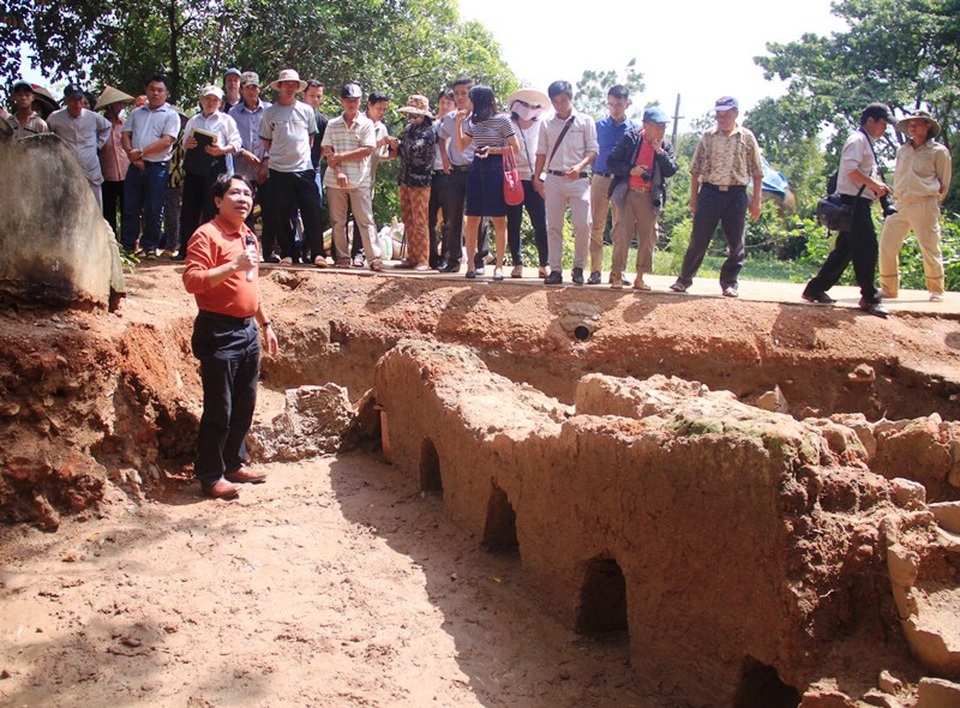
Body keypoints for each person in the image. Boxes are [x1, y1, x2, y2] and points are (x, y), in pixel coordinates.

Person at [182, 172, 278, 499]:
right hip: (217, 330)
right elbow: (192, 281)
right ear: (217, 200)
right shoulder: (206, 235)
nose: (243, 199)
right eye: (235, 193)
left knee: (244, 403)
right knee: (219, 408)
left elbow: (252, 285)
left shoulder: (249, 236)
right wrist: (232, 266)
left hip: (248, 331)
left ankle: (233, 463)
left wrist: (265, 325)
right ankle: (210, 475)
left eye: (247, 194)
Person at [803, 103, 895, 318]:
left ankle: (815, 289)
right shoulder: (858, 140)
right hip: (852, 202)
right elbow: (850, 170)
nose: (885, 129)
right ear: (870, 121)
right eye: (883, 123)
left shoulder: (866, 142)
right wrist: (875, 185)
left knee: (845, 250)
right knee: (867, 248)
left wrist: (877, 188)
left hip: (858, 202)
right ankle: (870, 297)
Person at [670, 96, 763, 298]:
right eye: (718, 114)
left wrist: (756, 200)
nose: (721, 118)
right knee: (699, 239)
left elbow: (757, 171)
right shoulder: (708, 136)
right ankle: (684, 279)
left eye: (726, 114)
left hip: (736, 194)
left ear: (735, 114)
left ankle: (730, 282)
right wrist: (693, 198)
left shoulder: (746, 137)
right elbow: (695, 170)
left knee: (736, 241)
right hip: (710, 192)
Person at [878, 110, 952, 302]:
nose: (912, 126)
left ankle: (936, 289)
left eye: (917, 123)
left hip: (925, 203)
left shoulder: (938, 151)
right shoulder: (902, 150)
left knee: (930, 247)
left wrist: (933, 202)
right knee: (886, 245)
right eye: (910, 123)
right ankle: (888, 288)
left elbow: (944, 182)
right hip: (900, 203)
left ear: (927, 125)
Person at [534, 80, 599, 285]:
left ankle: (578, 267)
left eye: (563, 100)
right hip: (553, 178)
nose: (559, 105)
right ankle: (555, 269)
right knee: (553, 226)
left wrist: (579, 166)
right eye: (555, 102)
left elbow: (593, 150)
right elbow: (541, 152)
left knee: (583, 224)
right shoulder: (546, 123)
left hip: (578, 179)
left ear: (570, 98)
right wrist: (537, 178)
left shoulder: (585, 121)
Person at [606, 106, 678, 289]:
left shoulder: (665, 146)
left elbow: (671, 170)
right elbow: (612, 162)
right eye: (657, 126)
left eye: (663, 126)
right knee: (622, 234)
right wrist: (631, 170)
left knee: (648, 237)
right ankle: (617, 274)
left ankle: (640, 277)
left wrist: (659, 152)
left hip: (650, 196)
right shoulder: (630, 139)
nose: (661, 130)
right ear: (645, 125)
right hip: (628, 193)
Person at [259, 69, 325, 266]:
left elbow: (311, 139)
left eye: (293, 84)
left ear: (298, 87)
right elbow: (267, 143)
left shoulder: (306, 111)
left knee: (312, 211)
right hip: (279, 169)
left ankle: (317, 253)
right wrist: (280, 156)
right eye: (285, 83)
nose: (289, 87)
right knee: (282, 213)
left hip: (304, 169)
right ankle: (288, 253)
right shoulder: (270, 112)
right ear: (279, 86)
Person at [455, 85, 521, 281]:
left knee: (499, 220)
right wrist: (458, 124)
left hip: (496, 169)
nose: (468, 101)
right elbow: (461, 147)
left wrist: (492, 150)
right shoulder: (472, 122)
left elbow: (515, 148)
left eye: (471, 98)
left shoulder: (502, 120)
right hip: (477, 168)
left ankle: (499, 266)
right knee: (473, 218)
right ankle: (471, 264)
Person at [320, 82, 383, 270]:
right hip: (334, 179)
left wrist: (341, 157)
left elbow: (367, 149)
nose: (351, 104)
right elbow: (327, 149)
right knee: (338, 221)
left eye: (355, 100)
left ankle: (374, 258)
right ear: (342, 101)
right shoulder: (332, 124)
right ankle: (342, 257)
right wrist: (338, 170)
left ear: (360, 101)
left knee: (365, 220)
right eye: (348, 100)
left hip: (360, 179)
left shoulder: (366, 124)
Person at [120, 74, 181, 256]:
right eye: (152, 89)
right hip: (135, 165)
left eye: (160, 90)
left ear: (166, 93)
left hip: (157, 167)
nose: (155, 93)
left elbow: (167, 140)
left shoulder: (171, 115)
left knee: (154, 208)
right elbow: (125, 135)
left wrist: (140, 153)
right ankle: (128, 246)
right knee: (131, 207)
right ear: (146, 91)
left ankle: (151, 247)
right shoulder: (136, 113)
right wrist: (133, 155)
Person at [178, 85, 241, 258]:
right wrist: (188, 144)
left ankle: (210, 251)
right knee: (189, 209)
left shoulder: (226, 120)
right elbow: (184, 143)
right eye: (207, 98)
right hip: (194, 169)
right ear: (201, 100)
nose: (210, 102)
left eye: (215, 99)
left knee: (212, 210)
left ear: (220, 102)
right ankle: (186, 249)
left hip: (216, 170)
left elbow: (236, 143)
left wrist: (222, 149)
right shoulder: (193, 120)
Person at [589, 85, 637, 284]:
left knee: (620, 227)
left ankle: (618, 271)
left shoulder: (635, 130)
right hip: (599, 178)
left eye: (618, 104)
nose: (614, 108)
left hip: (622, 182)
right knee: (596, 226)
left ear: (627, 104)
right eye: (610, 104)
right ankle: (595, 270)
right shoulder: (598, 126)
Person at [229, 71, 276, 260]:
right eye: (247, 87)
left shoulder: (270, 110)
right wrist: (243, 152)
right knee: (243, 209)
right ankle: (247, 249)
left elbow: (277, 136)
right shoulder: (232, 113)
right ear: (241, 89)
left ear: (259, 88)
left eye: (254, 87)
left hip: (267, 167)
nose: (251, 91)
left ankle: (270, 250)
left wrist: (267, 161)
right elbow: (230, 138)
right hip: (243, 168)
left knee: (270, 209)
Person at [505, 88, 550, 278]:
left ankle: (544, 264)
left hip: (535, 180)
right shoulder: (507, 125)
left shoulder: (543, 126)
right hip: (513, 179)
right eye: (525, 104)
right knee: (513, 222)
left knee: (540, 223)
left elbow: (546, 153)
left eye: (533, 106)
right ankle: (517, 263)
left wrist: (542, 177)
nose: (529, 109)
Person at [47, 83, 112, 209]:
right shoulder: (55, 118)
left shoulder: (92, 117)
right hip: (67, 168)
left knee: (95, 207)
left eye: (79, 100)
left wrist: (98, 145)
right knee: (70, 207)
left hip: (90, 167)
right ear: (66, 101)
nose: (77, 104)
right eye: (72, 100)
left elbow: (107, 127)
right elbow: (48, 135)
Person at [437, 77, 476, 273]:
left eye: (464, 93)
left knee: (478, 216)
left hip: (476, 171)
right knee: (453, 217)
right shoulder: (450, 118)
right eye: (457, 94)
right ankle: (453, 260)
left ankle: (479, 260)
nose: (460, 97)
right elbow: (442, 137)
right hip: (455, 172)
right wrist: (444, 157)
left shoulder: (480, 117)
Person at [349, 91, 393, 266]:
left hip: (367, 179)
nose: (381, 112)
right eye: (379, 108)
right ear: (369, 105)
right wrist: (379, 143)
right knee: (343, 217)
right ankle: (342, 254)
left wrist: (394, 151)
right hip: (348, 175)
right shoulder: (355, 122)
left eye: (384, 109)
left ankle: (359, 254)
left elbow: (380, 156)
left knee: (364, 217)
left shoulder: (382, 128)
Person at [393, 94, 437, 270]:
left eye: (414, 115)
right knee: (408, 219)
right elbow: (399, 149)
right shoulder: (407, 130)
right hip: (405, 179)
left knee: (420, 220)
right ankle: (411, 257)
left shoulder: (428, 131)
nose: (411, 118)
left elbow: (414, 150)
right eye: (409, 115)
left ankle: (423, 259)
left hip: (420, 181)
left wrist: (398, 145)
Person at [96, 86, 135, 237]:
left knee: (128, 208)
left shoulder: (125, 124)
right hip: (105, 173)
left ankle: (128, 241)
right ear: (109, 106)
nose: (121, 107)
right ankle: (111, 240)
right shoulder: (98, 124)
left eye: (122, 104)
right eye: (118, 104)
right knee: (108, 209)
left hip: (126, 172)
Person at [428, 89, 456, 269]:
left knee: (449, 220)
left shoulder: (458, 124)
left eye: (449, 103)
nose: (445, 106)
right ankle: (431, 256)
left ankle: (446, 257)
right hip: (430, 175)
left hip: (450, 175)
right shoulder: (430, 123)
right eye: (442, 102)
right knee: (429, 219)